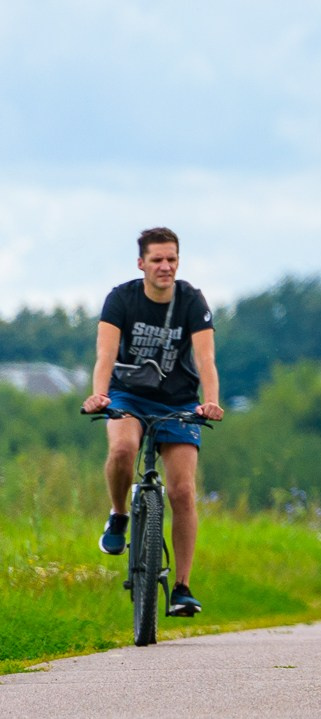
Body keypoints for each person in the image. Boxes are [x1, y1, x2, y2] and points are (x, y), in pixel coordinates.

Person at [86, 227, 223, 617]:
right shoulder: (121, 299)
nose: (165, 267)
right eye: (158, 260)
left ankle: (181, 587)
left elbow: (206, 359)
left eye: (172, 260)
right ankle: (119, 515)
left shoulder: (192, 301)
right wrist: (100, 394)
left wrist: (210, 402)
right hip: (128, 393)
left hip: (179, 398)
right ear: (141, 263)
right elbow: (105, 354)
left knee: (182, 491)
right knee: (124, 448)